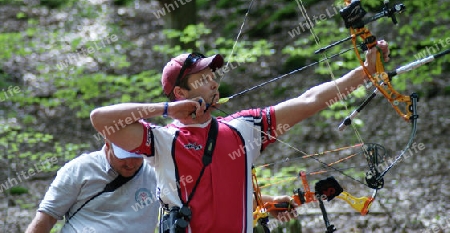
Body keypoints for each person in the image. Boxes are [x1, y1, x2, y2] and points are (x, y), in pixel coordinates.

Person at [89, 42, 389, 233]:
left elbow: (310, 100)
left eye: (213, 77)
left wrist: (364, 72)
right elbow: (100, 119)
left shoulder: (244, 127)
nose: (214, 83)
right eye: (203, 79)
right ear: (181, 92)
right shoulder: (162, 141)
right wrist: (167, 108)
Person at [25, 140, 159, 233]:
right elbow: (47, 217)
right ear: (108, 145)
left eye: (136, 156)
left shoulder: (157, 173)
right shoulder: (80, 169)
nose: (130, 164)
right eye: (123, 156)